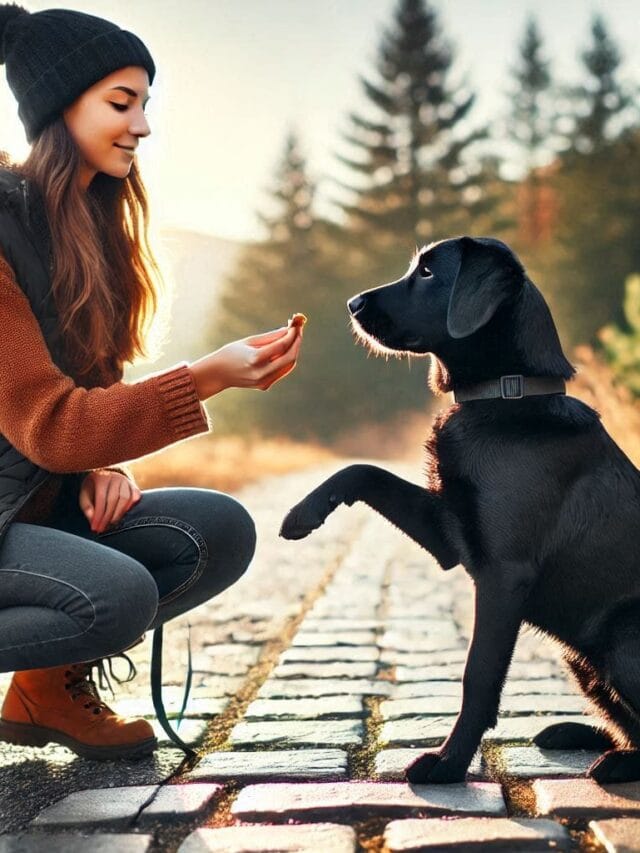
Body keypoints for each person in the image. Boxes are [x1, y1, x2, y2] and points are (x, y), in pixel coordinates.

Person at [0, 4, 303, 760]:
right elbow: (50, 421)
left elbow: (82, 422)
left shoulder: (93, 238)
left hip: (23, 511)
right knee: (119, 595)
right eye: (120, 103)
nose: (140, 125)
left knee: (218, 531)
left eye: (145, 105)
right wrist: (204, 378)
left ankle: (44, 688)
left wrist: (102, 466)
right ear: (58, 106)